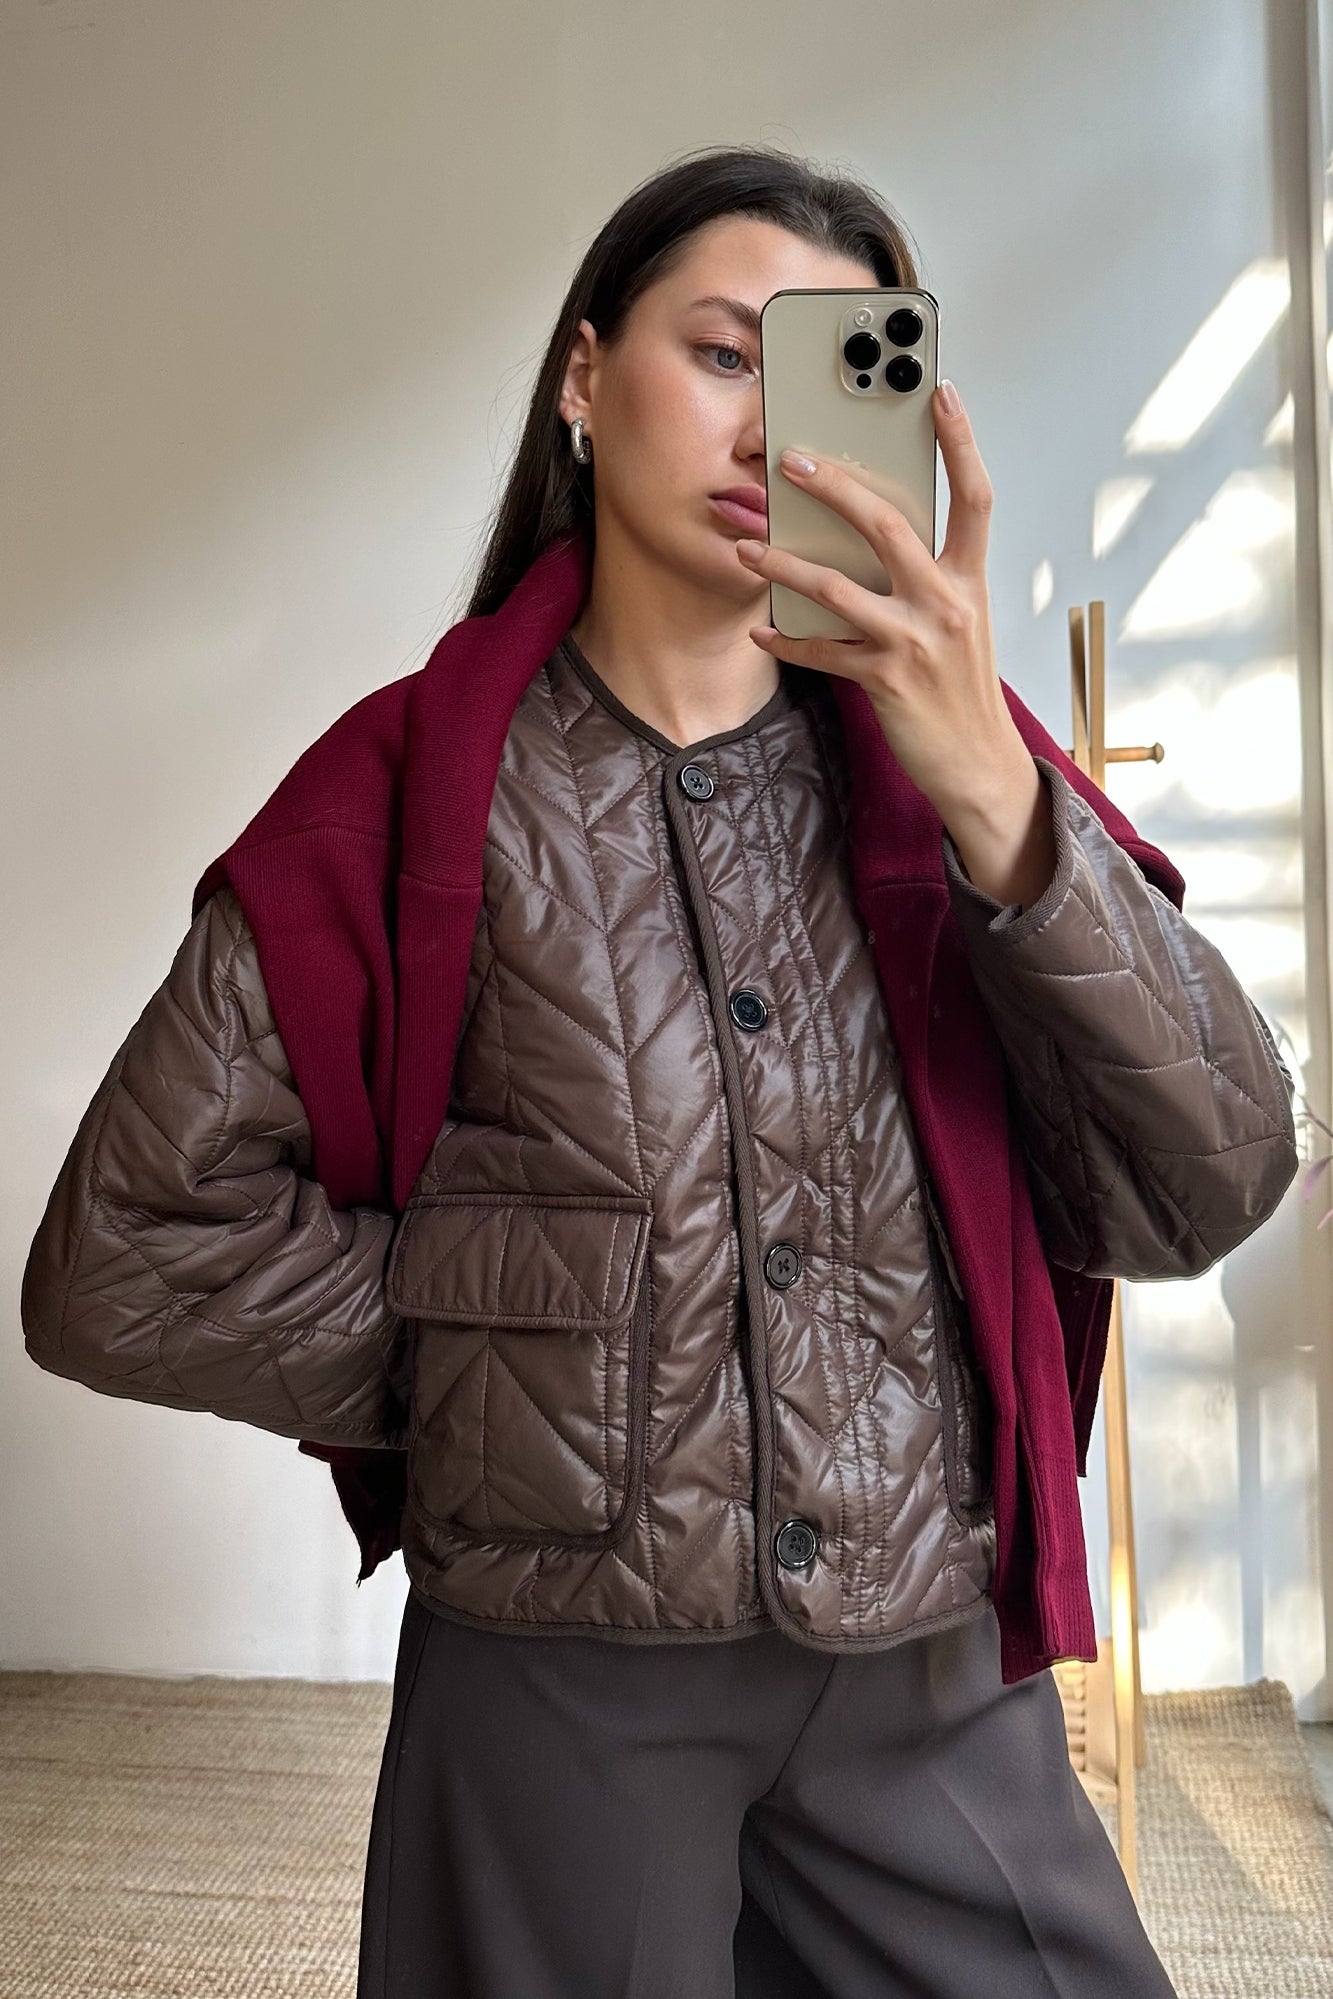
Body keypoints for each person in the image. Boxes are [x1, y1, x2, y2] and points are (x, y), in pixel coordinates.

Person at [22, 144, 1299, 1998]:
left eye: (822, 375)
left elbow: (1211, 1179)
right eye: (719, 353)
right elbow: (125, 1253)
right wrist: (512, 1368)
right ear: (581, 375)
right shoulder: (404, 790)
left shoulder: (966, 773)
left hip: (925, 1657)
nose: (763, 428)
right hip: (559, 1681)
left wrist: (999, 803)